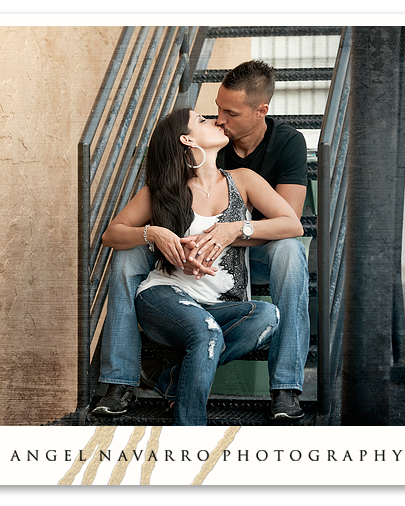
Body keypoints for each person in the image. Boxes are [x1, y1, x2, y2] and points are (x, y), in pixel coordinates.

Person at [93, 60, 310, 421]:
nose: (219, 119)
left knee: (288, 254)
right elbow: (115, 232)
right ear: (188, 140)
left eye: (229, 113)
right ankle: (121, 382)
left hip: (240, 259)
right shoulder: (188, 168)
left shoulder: (272, 153)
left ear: (261, 112)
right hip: (179, 272)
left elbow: (290, 224)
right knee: (126, 257)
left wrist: (232, 231)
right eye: (213, 113)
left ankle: (284, 387)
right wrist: (159, 235)